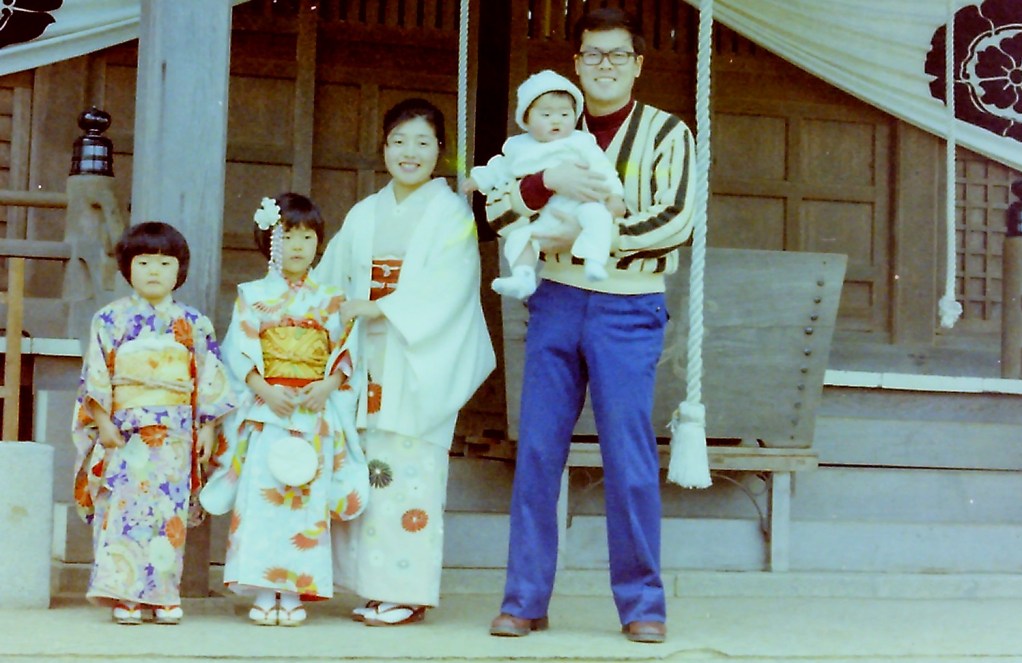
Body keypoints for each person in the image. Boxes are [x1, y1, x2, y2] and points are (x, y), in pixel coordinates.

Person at [485, 7, 697, 644]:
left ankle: (642, 605)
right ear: (575, 64)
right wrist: (544, 180)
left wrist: (584, 234)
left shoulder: (666, 133)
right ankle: (524, 599)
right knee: (539, 452)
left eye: (617, 55)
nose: (604, 66)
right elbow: (496, 210)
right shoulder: (542, 127)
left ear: (636, 64)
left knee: (628, 455)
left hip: (628, 304)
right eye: (592, 55)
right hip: (552, 299)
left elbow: (676, 218)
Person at [312, 98, 495, 626]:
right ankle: (368, 586)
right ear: (384, 148)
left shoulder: (451, 212)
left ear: (440, 151)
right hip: (366, 357)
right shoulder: (365, 212)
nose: (409, 153)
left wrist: (379, 305)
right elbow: (330, 277)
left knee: (407, 476)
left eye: (422, 142)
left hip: (416, 362)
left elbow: (451, 287)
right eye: (398, 141)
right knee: (367, 473)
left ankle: (407, 590)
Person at [199, 193, 370, 627]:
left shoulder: (333, 299)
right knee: (263, 497)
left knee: (304, 500)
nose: (298, 245)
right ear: (269, 239)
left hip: (312, 409)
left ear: (319, 243)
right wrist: (263, 389)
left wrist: (328, 384)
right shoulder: (253, 295)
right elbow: (237, 351)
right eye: (288, 234)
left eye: (308, 235)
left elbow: (347, 353)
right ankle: (261, 587)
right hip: (267, 408)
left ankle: (293, 590)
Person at [71, 221, 235, 625]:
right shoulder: (109, 319)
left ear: (179, 269)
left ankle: (163, 593)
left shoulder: (194, 323)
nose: (154, 271)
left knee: (168, 514)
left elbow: (207, 375)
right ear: (127, 267)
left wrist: (209, 427)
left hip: (176, 432)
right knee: (124, 509)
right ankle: (124, 593)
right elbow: (95, 375)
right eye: (143, 262)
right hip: (126, 430)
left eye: (165, 262)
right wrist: (103, 422)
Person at [463, 69, 625, 299]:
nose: (556, 120)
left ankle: (594, 261)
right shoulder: (518, 147)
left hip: (580, 205)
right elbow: (499, 168)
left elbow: (603, 170)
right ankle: (523, 276)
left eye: (564, 114)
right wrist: (478, 179)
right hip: (544, 214)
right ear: (526, 120)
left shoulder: (581, 143)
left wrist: (614, 196)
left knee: (598, 218)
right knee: (522, 236)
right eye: (546, 115)